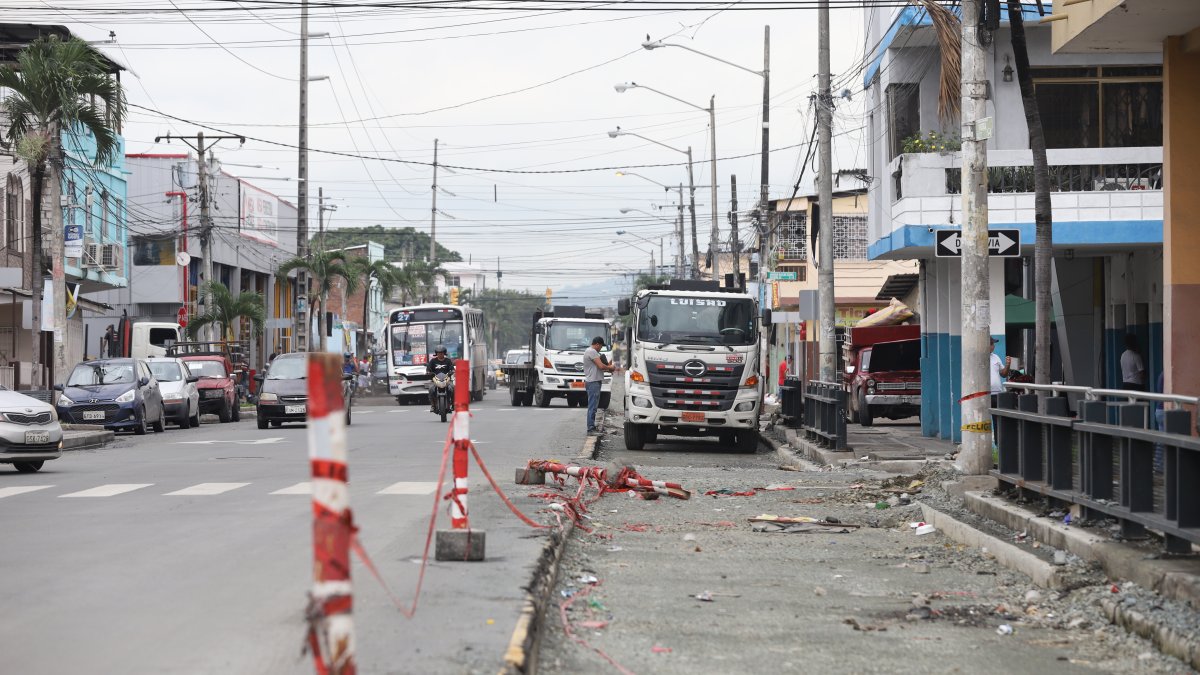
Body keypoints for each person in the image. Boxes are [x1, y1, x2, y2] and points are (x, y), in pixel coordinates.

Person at [584, 336, 616, 435]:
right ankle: (590, 428)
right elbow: (601, 366)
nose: (600, 348)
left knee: (593, 406)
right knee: (593, 406)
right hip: (593, 382)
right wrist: (610, 367)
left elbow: (600, 368)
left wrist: (609, 368)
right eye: (601, 346)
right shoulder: (592, 351)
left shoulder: (591, 352)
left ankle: (592, 427)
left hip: (594, 381)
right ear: (597, 344)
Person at [426, 346, 455, 410]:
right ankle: (433, 406)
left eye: (441, 353)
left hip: (447, 379)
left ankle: (453, 404)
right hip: (435, 380)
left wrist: (452, 371)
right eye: (438, 353)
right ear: (436, 353)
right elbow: (428, 369)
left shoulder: (448, 361)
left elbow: (452, 369)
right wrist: (428, 372)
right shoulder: (433, 361)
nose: (440, 354)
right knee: (431, 389)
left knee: (453, 388)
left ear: (444, 353)